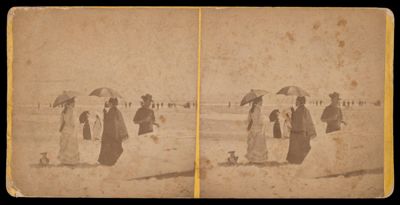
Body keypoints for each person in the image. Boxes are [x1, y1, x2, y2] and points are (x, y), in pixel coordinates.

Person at [98, 98, 129, 166]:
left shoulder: (113, 111)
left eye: (109, 103)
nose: (108, 104)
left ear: (112, 103)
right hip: (114, 134)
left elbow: (111, 122)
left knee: (111, 147)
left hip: (112, 134)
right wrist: (105, 113)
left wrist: (105, 113)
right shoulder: (116, 111)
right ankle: (108, 161)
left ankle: (108, 162)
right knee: (112, 147)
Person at [286, 96, 316, 164]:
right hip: (301, 131)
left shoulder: (301, 110)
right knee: (299, 147)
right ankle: (296, 160)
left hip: (298, 131)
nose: (295, 102)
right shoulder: (304, 110)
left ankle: (295, 160)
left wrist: (292, 113)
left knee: (297, 147)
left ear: (300, 101)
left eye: (297, 101)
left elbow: (296, 121)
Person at [245, 97, 268, 164]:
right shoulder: (258, 109)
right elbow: (260, 121)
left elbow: (249, 120)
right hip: (258, 129)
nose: (262, 102)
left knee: (253, 144)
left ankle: (252, 159)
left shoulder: (251, 110)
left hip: (252, 129)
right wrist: (264, 120)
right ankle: (258, 160)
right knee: (258, 145)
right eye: (261, 101)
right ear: (258, 102)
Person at [58, 97, 79, 165]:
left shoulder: (64, 111)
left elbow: (61, 122)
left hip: (64, 130)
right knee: (71, 146)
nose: (75, 104)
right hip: (71, 130)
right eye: (74, 102)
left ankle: (64, 160)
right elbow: (73, 122)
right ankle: (71, 161)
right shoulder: (72, 111)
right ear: (71, 103)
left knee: (65, 145)